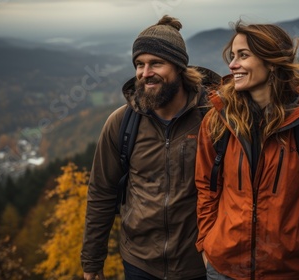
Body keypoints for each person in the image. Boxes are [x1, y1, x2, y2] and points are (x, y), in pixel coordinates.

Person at [195, 20, 299, 279]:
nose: (233, 65)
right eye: (232, 56)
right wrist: (207, 243)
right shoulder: (217, 121)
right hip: (224, 269)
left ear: (272, 61)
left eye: (243, 55)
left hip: (287, 270)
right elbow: (206, 188)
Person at [81, 15, 220, 280]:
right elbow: (101, 193)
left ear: (179, 67)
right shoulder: (122, 123)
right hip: (139, 264)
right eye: (139, 64)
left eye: (156, 63)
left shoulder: (212, 118)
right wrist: (92, 262)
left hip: (200, 263)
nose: (146, 73)